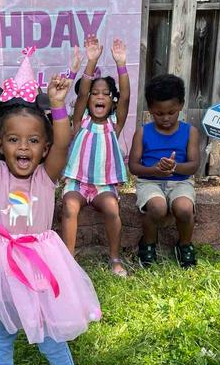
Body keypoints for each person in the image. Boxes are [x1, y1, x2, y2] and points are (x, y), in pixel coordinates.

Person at [0, 48, 101, 365]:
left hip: (38, 263)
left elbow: (64, 140)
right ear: (1, 145)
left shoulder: (46, 178)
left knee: (47, 332)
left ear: (44, 148)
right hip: (3, 261)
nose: (23, 147)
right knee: (4, 324)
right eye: (13, 140)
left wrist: (58, 105)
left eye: (33, 140)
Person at [61, 35, 130, 276]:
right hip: (77, 183)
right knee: (70, 206)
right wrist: (91, 62)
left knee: (112, 208)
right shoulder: (80, 121)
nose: (100, 97)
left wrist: (121, 64)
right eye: (95, 93)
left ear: (112, 101)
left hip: (103, 185)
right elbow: (81, 95)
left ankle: (115, 258)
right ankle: (68, 260)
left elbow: (127, 97)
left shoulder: (114, 124)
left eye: (106, 94)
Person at [128, 74, 200, 268]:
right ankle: (148, 244)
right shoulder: (143, 132)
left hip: (181, 182)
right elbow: (133, 167)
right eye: (159, 113)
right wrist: (154, 171)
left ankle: (184, 245)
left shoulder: (190, 132)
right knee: (158, 208)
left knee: (185, 209)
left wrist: (174, 167)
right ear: (150, 109)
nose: (166, 118)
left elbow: (193, 165)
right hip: (149, 181)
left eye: (171, 112)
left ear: (181, 106)